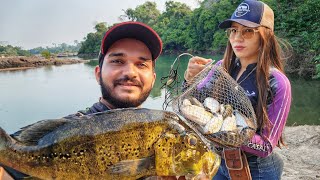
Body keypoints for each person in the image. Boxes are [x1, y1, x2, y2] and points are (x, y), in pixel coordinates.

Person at [0, 21, 165, 180]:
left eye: (142, 64)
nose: (130, 72)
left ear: (153, 79)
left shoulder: (164, 134)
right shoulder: (66, 131)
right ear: (97, 74)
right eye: (117, 61)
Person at [184, 0, 292, 179]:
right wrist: (189, 79)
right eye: (233, 30)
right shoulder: (221, 68)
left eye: (248, 31)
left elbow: (266, 146)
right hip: (219, 161)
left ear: (266, 35)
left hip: (257, 170)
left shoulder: (277, 82)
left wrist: (225, 131)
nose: (237, 37)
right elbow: (194, 101)